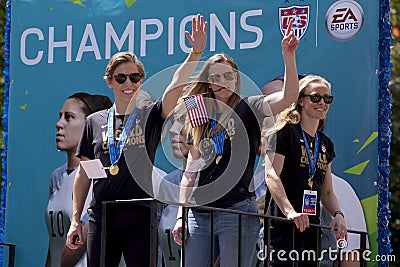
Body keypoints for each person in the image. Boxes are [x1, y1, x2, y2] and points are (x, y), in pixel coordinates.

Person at [65, 14, 207, 267]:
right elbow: (84, 174)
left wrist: (195, 55)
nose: (128, 83)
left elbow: (175, 87)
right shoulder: (95, 122)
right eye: (121, 78)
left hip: (140, 214)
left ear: (141, 81)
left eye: (135, 77)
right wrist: (76, 220)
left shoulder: (150, 114)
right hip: (102, 214)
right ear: (109, 81)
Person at [172, 18, 300, 267]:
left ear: (235, 79)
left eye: (227, 76)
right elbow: (189, 174)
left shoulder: (249, 106)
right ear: (208, 82)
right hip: (200, 214)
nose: (222, 81)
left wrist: (288, 56)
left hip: (237, 210)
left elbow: (289, 96)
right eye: (216, 77)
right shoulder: (201, 114)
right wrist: (181, 216)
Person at [264, 74, 347, 266]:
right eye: (315, 97)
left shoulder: (326, 144)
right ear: (300, 101)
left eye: (327, 99)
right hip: (281, 226)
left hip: (311, 229)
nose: (322, 103)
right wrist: (290, 212)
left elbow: (326, 192)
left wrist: (338, 215)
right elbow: (271, 175)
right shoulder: (284, 132)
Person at [45, 92, 112, 267]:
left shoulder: (99, 175)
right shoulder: (56, 176)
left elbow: (81, 240)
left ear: (90, 126)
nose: (59, 124)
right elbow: (54, 243)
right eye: (60, 117)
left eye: (69, 117)